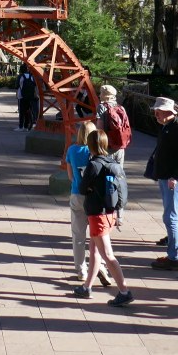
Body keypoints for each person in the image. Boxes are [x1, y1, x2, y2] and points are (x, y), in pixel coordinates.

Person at [75, 129, 134, 307]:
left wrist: (90, 187)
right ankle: (87, 287)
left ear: (90, 145)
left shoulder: (94, 165)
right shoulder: (113, 162)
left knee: (107, 254)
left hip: (97, 214)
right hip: (109, 212)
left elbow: (82, 188)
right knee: (94, 251)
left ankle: (124, 291)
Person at [146, 96, 178, 270]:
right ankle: (176, 255)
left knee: (170, 217)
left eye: (159, 111)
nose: (156, 114)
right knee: (173, 217)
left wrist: (176, 176)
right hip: (167, 178)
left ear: (169, 112)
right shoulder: (167, 126)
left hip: (174, 180)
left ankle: (174, 258)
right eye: (155, 111)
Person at [66, 121, 103, 284]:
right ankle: (100, 265)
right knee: (98, 235)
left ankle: (81, 269)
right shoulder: (96, 153)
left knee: (78, 235)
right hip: (94, 197)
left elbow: (70, 176)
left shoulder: (72, 150)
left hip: (77, 194)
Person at [96, 85, 131, 166]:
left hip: (107, 146)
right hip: (120, 145)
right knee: (118, 173)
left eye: (101, 93)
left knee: (107, 172)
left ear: (105, 95)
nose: (99, 95)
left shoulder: (101, 107)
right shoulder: (121, 107)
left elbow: (99, 128)